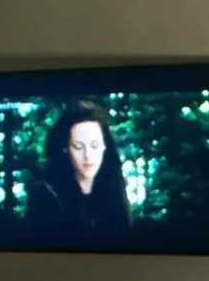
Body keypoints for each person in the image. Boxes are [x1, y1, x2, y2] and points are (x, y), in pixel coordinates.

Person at [27, 100, 132, 246]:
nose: (87, 155)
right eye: (78, 146)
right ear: (65, 148)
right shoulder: (45, 195)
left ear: (105, 146)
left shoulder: (114, 190)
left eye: (94, 145)